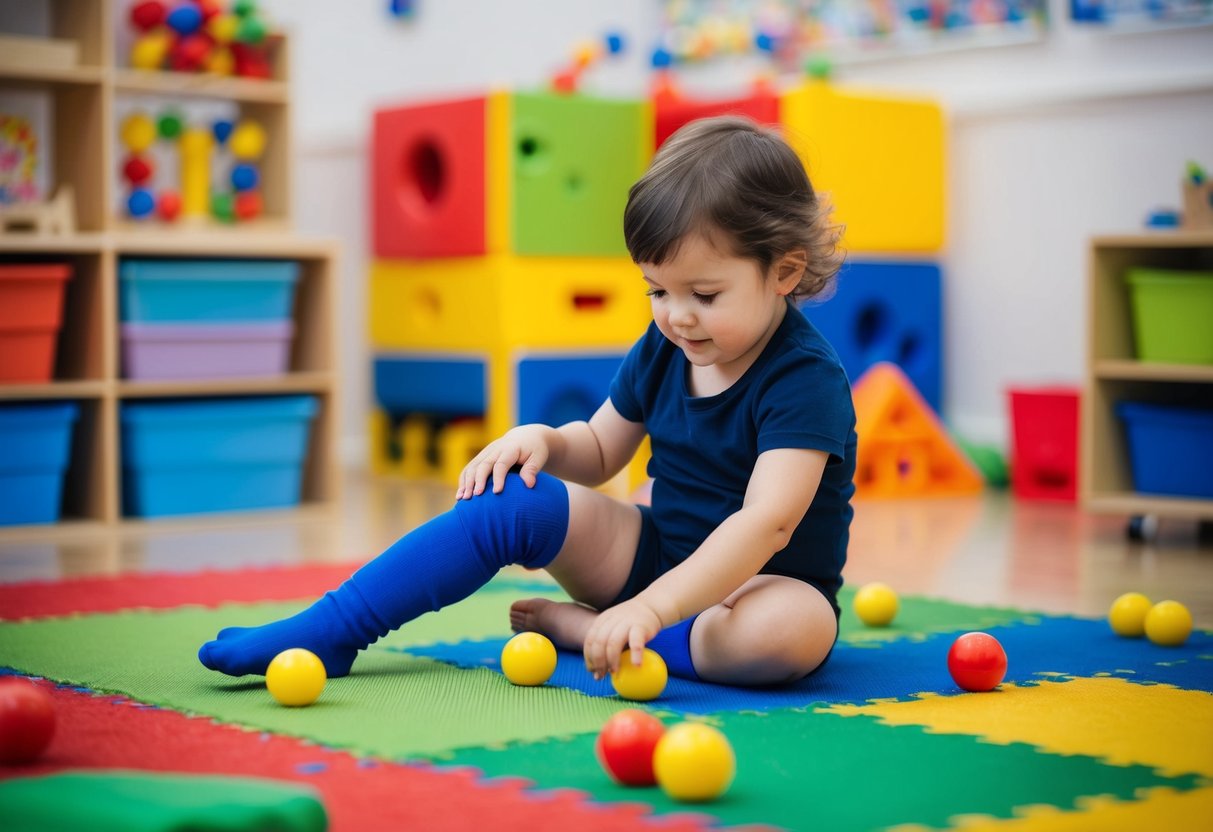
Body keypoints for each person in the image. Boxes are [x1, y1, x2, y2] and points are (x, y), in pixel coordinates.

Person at [198, 115, 854, 687]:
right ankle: (332, 628)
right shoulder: (666, 348)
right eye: (656, 291)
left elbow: (766, 523)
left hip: (755, 590)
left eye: (703, 295)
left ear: (784, 272)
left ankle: (589, 633)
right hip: (650, 557)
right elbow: (599, 450)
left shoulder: (802, 378)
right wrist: (544, 441)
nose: (676, 317)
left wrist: (653, 609)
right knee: (512, 497)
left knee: (786, 633)